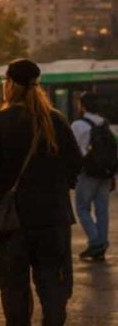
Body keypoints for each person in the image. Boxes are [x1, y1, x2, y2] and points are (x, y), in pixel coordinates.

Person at [0, 58, 82, 326]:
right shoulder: (57, 120)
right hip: (53, 220)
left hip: (12, 223)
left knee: (14, 288)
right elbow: (75, 165)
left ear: (10, 85)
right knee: (53, 284)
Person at [71, 91, 115, 261]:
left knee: (82, 208)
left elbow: (73, 150)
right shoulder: (104, 123)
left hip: (88, 172)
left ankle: (96, 242)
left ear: (82, 106)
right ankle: (101, 243)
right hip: (105, 172)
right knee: (102, 209)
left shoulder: (78, 124)